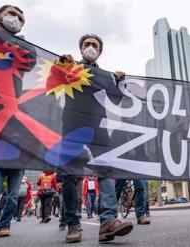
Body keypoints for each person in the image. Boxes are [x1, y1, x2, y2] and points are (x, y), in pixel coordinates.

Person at [59, 34, 133, 243]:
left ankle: (108, 222)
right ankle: (73, 224)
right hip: (72, 126)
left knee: (106, 170)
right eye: (87, 44)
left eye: (94, 45)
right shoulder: (69, 66)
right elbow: (51, 85)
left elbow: (116, 101)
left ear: (99, 51)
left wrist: (120, 82)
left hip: (98, 127)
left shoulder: (104, 75)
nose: (90, 47)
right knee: (69, 175)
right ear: (80, 48)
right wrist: (61, 65)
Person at [0, 5, 28, 239]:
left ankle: (5, 225)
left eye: (21, 18)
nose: (16, 19)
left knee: (12, 193)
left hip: (16, 134)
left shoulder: (23, 48)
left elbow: (36, 67)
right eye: (12, 14)